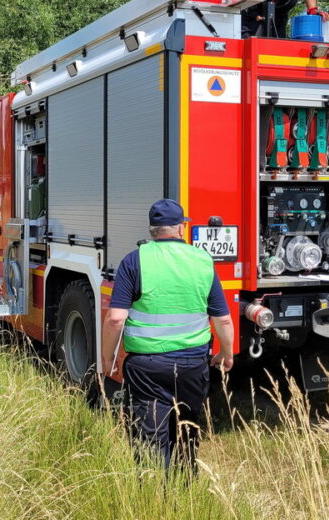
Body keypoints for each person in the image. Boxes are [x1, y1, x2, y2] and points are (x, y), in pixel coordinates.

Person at [102, 199, 234, 473]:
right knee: (187, 431)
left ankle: (152, 497)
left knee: (150, 438)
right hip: (192, 364)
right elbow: (222, 317)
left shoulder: (134, 260)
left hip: (147, 367)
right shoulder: (202, 260)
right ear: (182, 229)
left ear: (151, 230)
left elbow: (115, 318)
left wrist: (108, 358)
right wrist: (226, 353)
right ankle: (185, 490)